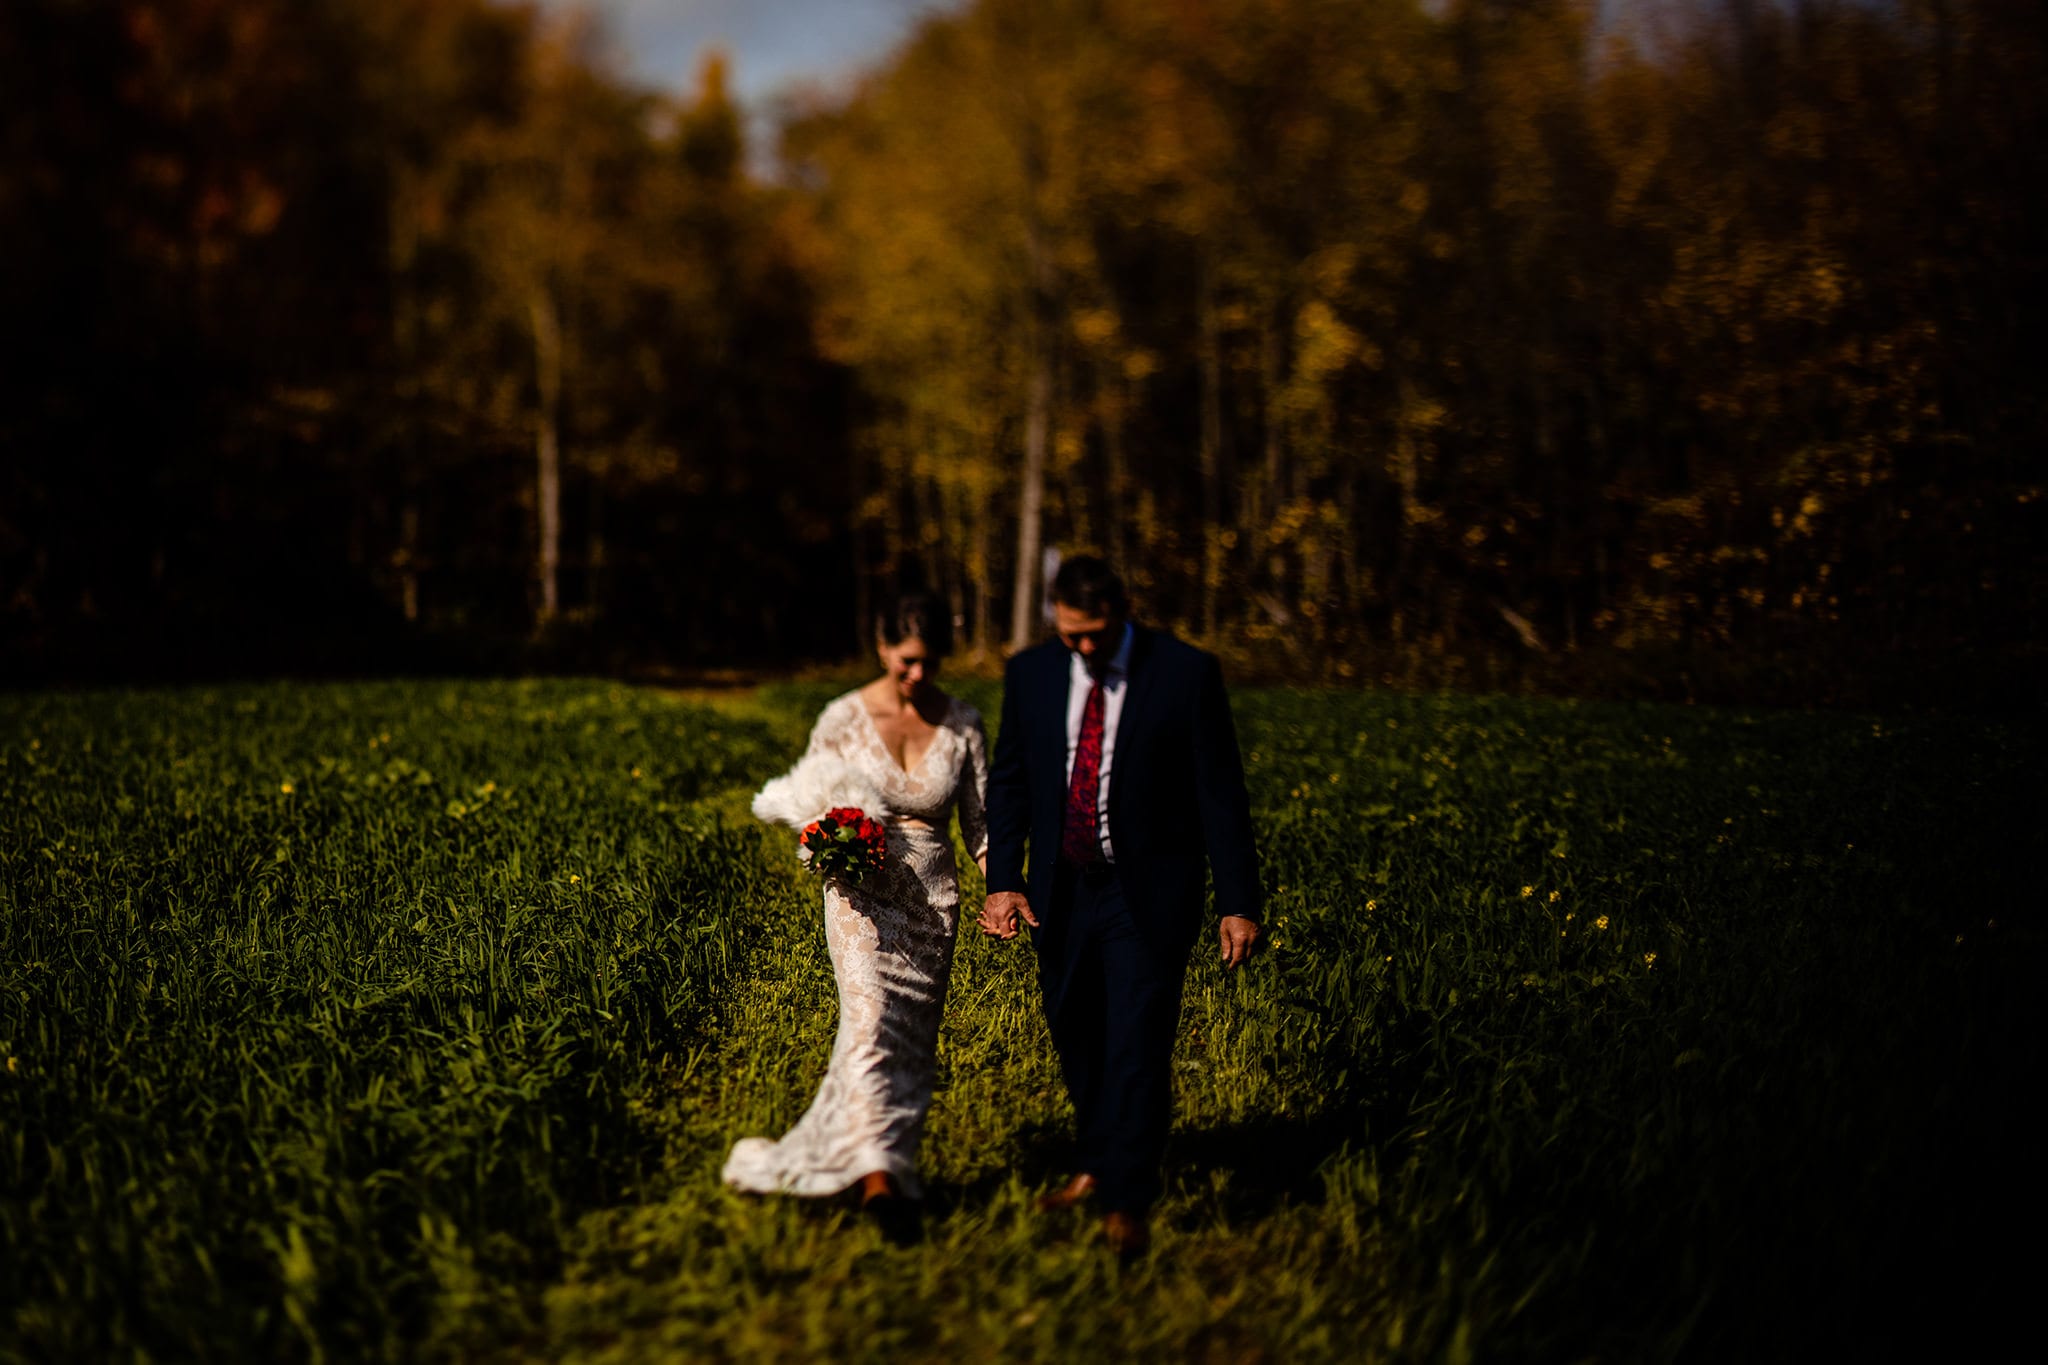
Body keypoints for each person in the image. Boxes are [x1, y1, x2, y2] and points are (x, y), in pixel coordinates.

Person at [979, 556, 1262, 1258]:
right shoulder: (1032, 674)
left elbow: (1219, 791)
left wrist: (1239, 899)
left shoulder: (1184, 673)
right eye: (1071, 633)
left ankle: (1126, 1197)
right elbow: (1009, 780)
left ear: (1123, 611)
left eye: (1096, 634)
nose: (1083, 648)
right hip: (1060, 888)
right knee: (1075, 1026)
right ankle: (1098, 1157)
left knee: (1136, 1039)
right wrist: (1003, 879)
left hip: (1148, 890)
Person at [723, 592, 989, 1240]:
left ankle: (886, 1158)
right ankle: (878, 1184)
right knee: (869, 1022)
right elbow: (810, 807)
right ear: (882, 647)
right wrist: (832, 841)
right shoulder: (841, 717)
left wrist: (1007, 888)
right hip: (859, 895)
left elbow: (985, 825)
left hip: (933, 904)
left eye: (927, 662)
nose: (916, 675)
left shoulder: (963, 723)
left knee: (910, 1042)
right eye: (906, 661)